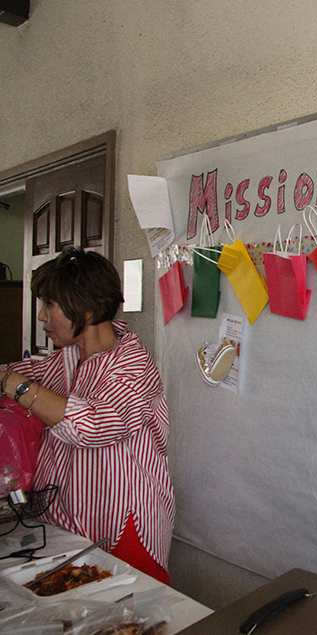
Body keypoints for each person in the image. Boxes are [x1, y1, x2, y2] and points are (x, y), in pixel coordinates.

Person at [0, 248, 174, 584]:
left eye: (50, 305)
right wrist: (9, 379)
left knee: (133, 606)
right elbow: (17, 376)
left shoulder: (133, 366)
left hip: (122, 523)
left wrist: (15, 385)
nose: (41, 317)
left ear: (88, 308)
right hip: (64, 521)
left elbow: (92, 425)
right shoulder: (63, 361)